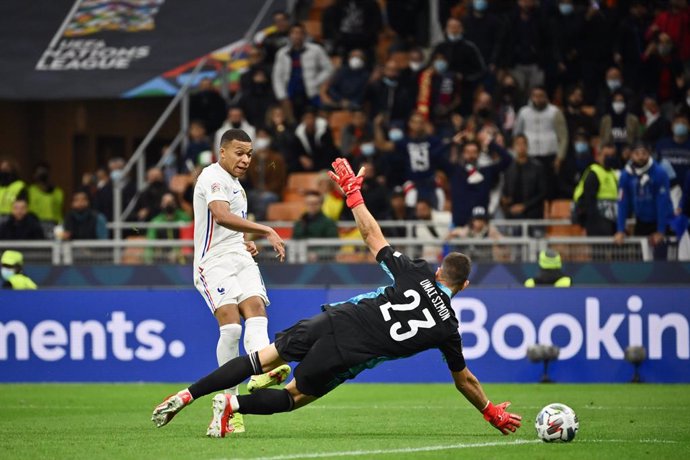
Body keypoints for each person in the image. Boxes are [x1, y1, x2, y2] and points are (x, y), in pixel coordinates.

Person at [152, 157, 522, 439]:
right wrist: (491, 412)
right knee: (293, 397)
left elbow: (372, 236)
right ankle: (232, 405)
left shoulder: (417, 272)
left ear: (440, 270)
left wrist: (353, 193)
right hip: (349, 355)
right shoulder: (448, 328)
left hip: (334, 319)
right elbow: (465, 381)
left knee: (259, 358)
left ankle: (189, 394)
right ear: (465, 286)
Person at [191, 128, 290, 435]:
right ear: (222, 152)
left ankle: (260, 373)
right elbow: (220, 216)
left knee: (257, 310)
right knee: (232, 327)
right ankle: (228, 404)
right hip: (213, 262)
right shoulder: (213, 177)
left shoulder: (235, 185)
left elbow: (229, 226)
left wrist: (245, 241)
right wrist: (266, 230)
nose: (246, 159)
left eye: (249, 154)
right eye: (239, 153)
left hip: (238, 257)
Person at [615, 143, 673, 259]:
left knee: (661, 263)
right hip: (641, 222)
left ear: (649, 154)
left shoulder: (659, 173)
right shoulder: (626, 175)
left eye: (644, 153)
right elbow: (623, 203)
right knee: (640, 260)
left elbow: (662, 203)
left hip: (661, 221)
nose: (641, 157)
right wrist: (620, 229)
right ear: (631, 155)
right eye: (637, 154)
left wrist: (661, 231)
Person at [513, 86, 568, 199]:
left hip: (549, 156)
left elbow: (563, 136)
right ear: (531, 97)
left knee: (549, 187)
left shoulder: (555, 112)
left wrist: (560, 157)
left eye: (541, 96)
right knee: (530, 187)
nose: (538, 99)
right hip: (529, 155)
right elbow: (517, 134)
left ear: (546, 97)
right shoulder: (523, 112)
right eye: (535, 96)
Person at [272, 23, 333, 121]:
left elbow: (329, 68)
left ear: (304, 35)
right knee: (292, 123)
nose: (297, 36)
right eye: (294, 33)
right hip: (291, 94)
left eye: (300, 33)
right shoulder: (282, 53)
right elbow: (277, 77)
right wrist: (282, 96)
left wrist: (316, 81)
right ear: (289, 35)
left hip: (311, 93)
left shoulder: (315, 50)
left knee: (313, 121)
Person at [572, 143, 619, 236]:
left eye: (612, 156)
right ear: (598, 156)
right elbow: (588, 202)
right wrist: (586, 225)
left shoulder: (613, 174)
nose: (609, 158)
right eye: (606, 156)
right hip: (596, 222)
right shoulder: (594, 173)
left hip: (611, 220)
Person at [145, 192, 192, 264]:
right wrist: (148, 261)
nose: (169, 204)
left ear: (176, 203)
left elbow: (190, 240)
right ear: (161, 204)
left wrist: (178, 253)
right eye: (166, 202)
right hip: (162, 257)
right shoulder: (156, 221)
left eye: (171, 201)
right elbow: (150, 245)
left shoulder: (185, 218)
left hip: (183, 257)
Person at [27, 163, 63, 237]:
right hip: (36, 224)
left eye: (44, 171)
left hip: (54, 224)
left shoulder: (58, 192)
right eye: (39, 172)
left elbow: (61, 210)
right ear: (34, 175)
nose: (42, 174)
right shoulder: (30, 191)